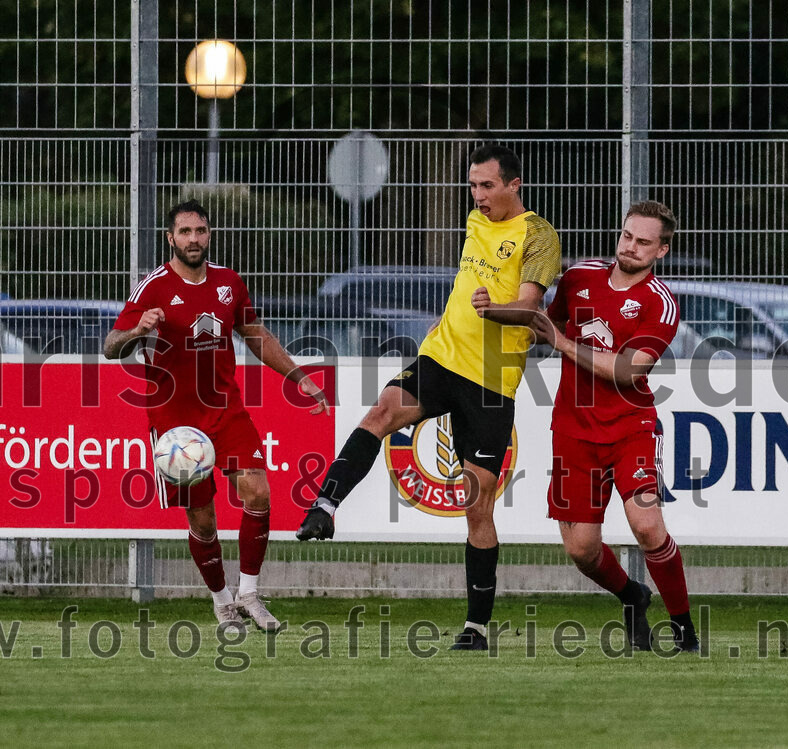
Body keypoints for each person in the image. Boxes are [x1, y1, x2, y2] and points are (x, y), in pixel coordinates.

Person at [297, 144, 562, 651]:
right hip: (441, 357)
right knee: (381, 412)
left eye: (487, 186)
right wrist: (452, 318)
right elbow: (467, 285)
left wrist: (494, 308)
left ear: (514, 185)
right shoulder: (474, 220)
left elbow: (529, 309)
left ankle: (477, 628)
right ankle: (324, 506)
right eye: (472, 185)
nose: (478, 195)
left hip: (490, 381)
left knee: (474, 504)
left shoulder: (538, 234)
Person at [104, 199, 328, 631]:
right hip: (175, 423)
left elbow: (255, 335)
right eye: (185, 232)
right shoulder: (152, 286)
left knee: (258, 493)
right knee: (203, 517)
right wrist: (137, 330)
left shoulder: (228, 282)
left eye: (200, 231)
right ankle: (222, 602)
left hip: (226, 409)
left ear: (209, 235)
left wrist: (298, 376)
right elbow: (111, 346)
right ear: (170, 238)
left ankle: (250, 594)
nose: (193, 239)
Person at [529, 200, 699, 653]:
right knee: (582, 550)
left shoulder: (659, 303)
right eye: (627, 236)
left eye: (644, 242)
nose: (631, 247)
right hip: (572, 428)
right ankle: (632, 595)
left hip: (631, 426)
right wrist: (497, 306)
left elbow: (628, 371)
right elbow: (542, 324)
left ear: (662, 250)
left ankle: (683, 630)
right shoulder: (579, 276)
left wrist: (563, 343)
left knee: (647, 525)